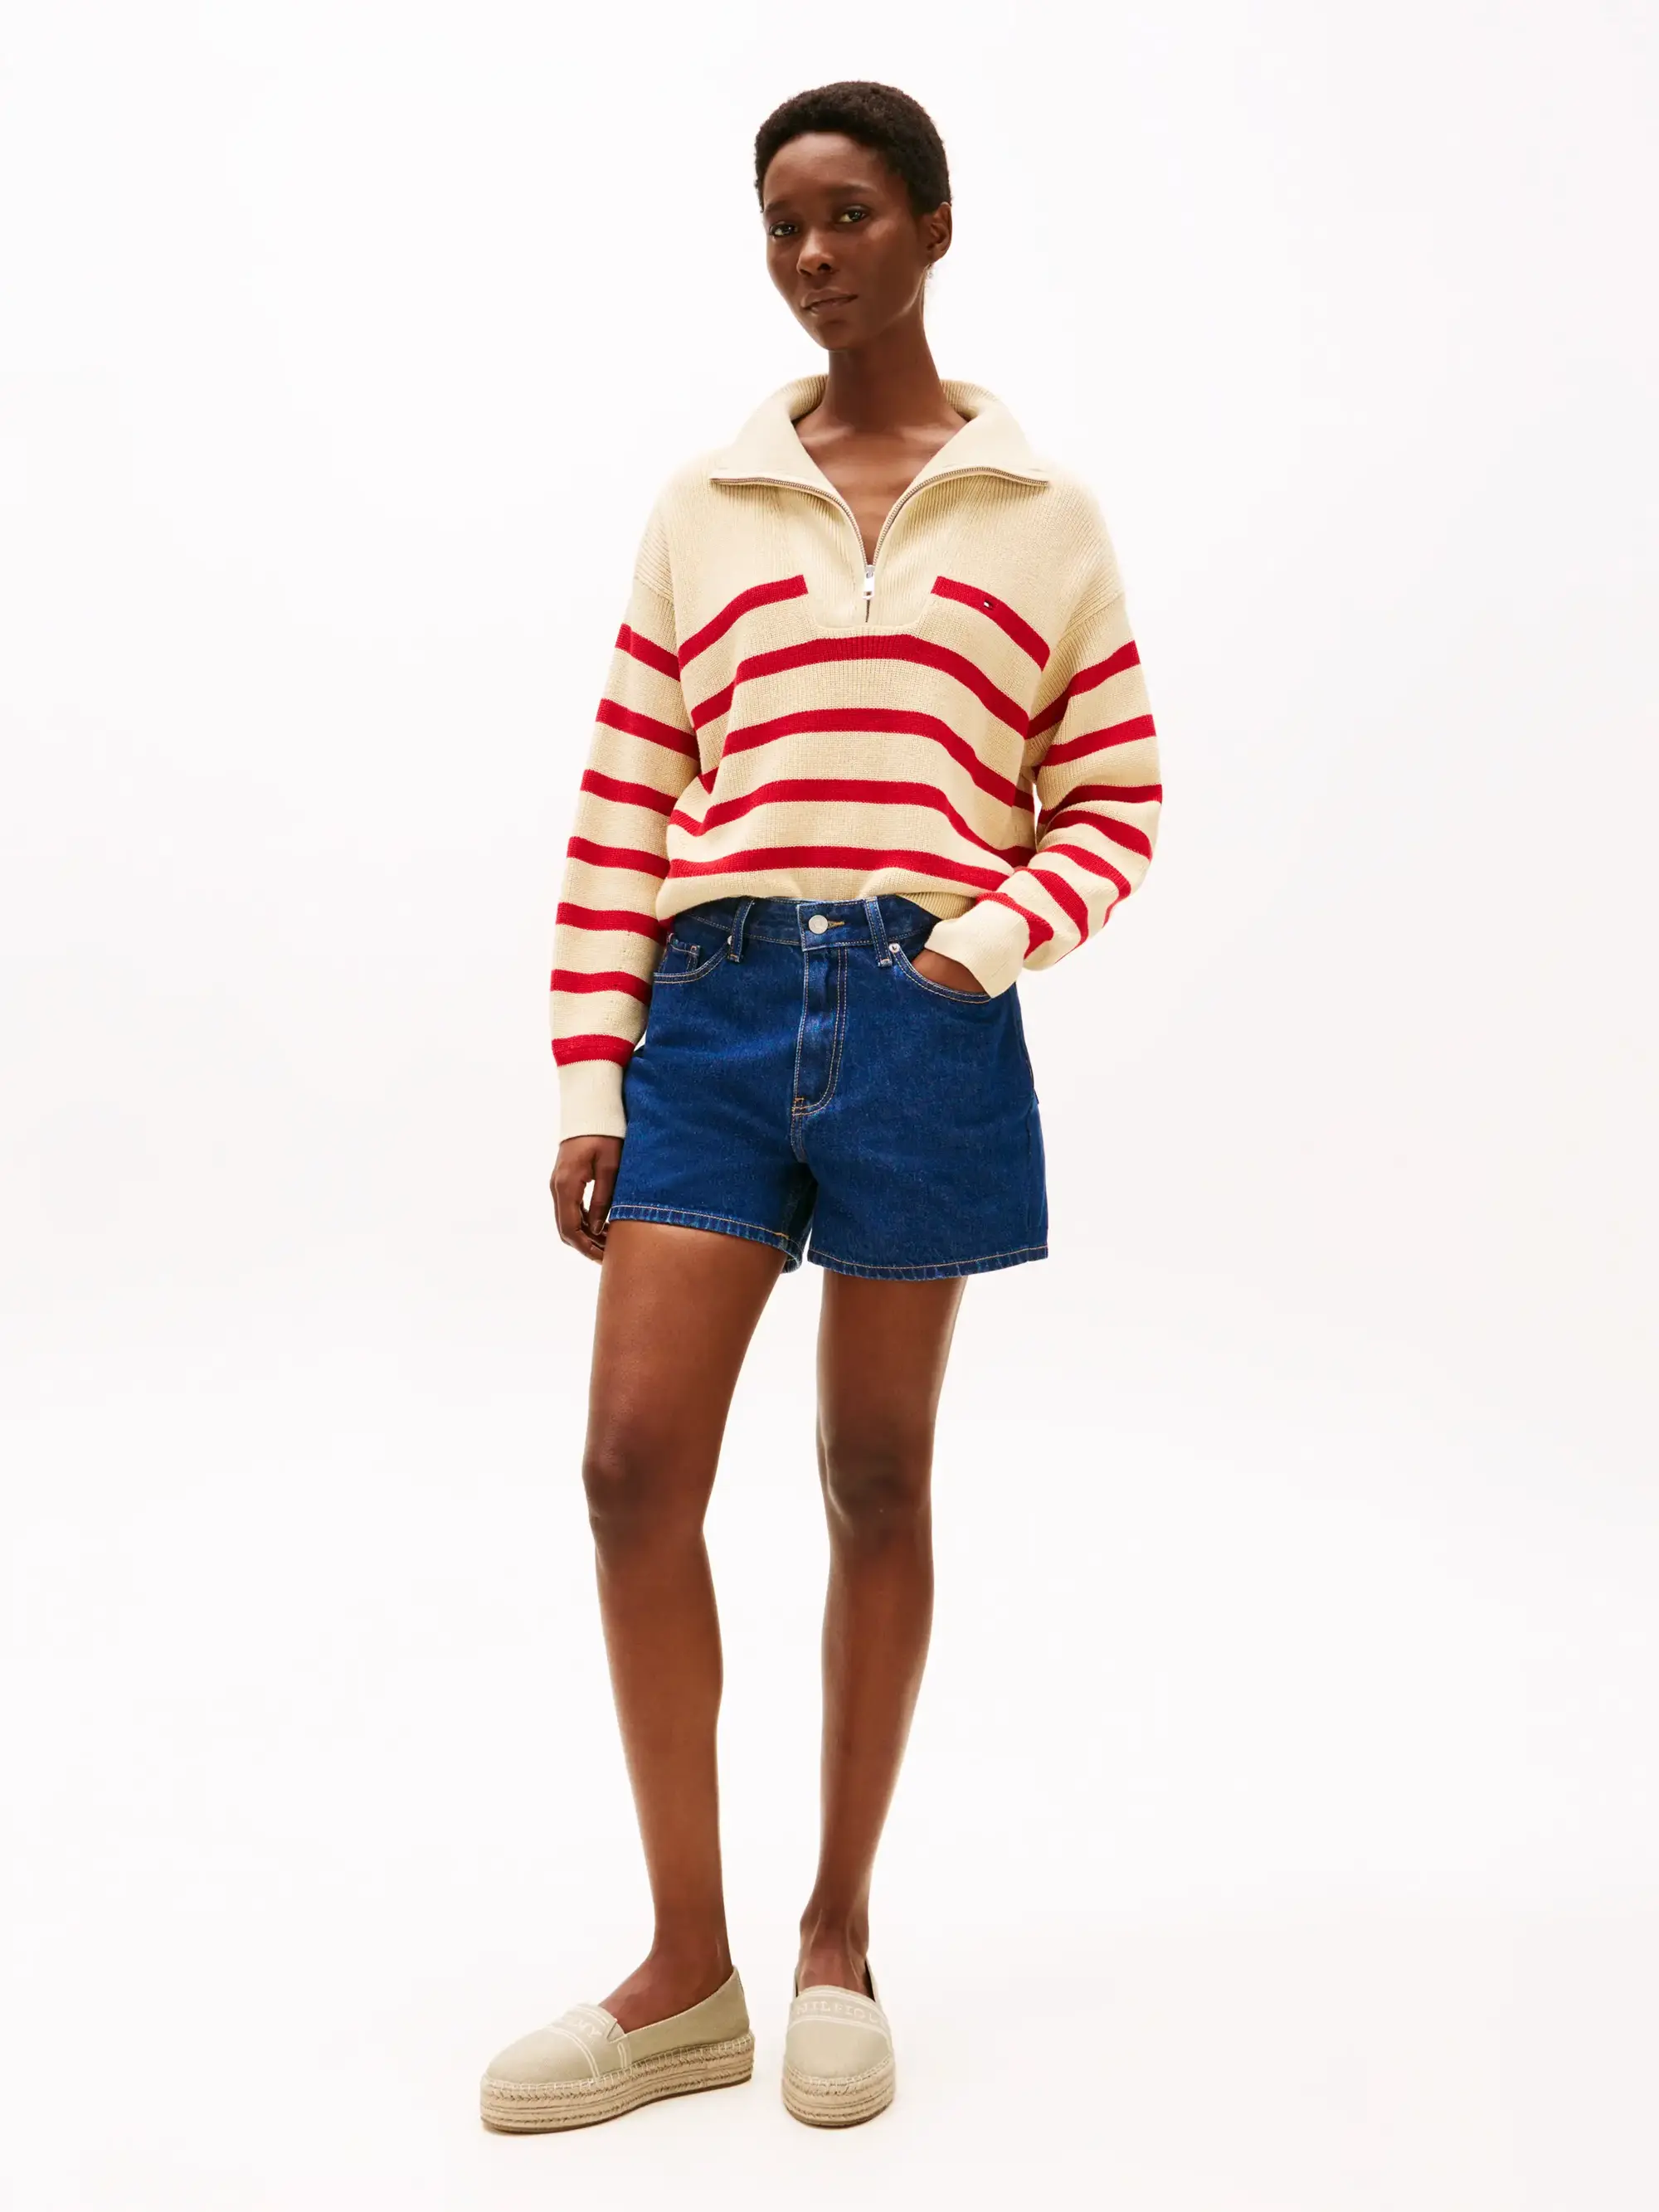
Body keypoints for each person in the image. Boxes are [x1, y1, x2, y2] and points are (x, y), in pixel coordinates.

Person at [479, 78, 1161, 2134]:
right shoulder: (705, 502)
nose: (808, 253)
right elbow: (624, 798)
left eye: (848, 213)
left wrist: (978, 945)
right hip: (705, 1014)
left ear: (932, 228)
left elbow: (1112, 798)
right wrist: (590, 1067)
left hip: (917, 1018)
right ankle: (683, 1973)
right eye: (782, 220)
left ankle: (836, 1939)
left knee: (875, 1473)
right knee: (630, 1467)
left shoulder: (1040, 513)